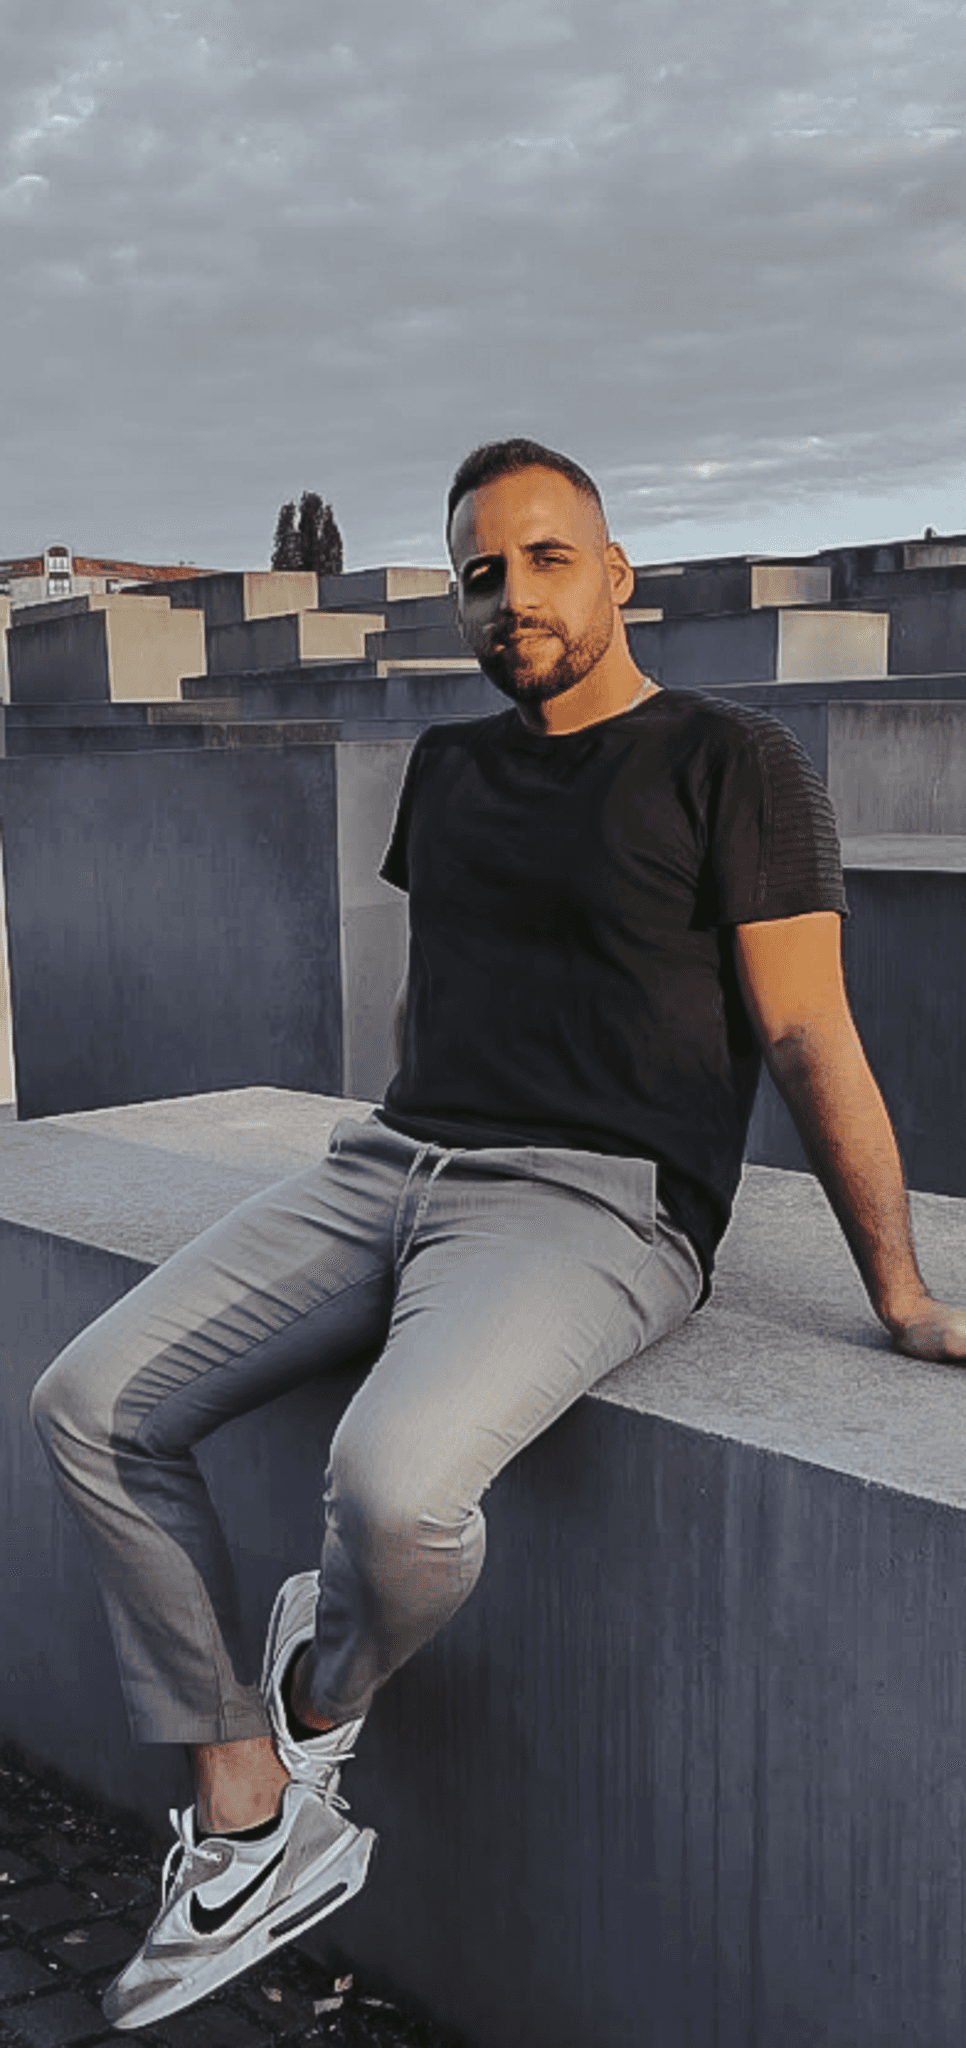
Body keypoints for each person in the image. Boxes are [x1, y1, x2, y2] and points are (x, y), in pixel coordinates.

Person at [30, 438, 966, 2031]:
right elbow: (431, 983)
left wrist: (901, 1293)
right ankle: (253, 1808)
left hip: (598, 1203)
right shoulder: (450, 771)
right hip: (388, 1163)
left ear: (616, 577)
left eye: (545, 558)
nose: (511, 593)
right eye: (481, 569)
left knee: (392, 1491)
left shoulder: (732, 762)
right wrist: (385, 1153)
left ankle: (318, 1698)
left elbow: (809, 1036)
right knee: (92, 1405)